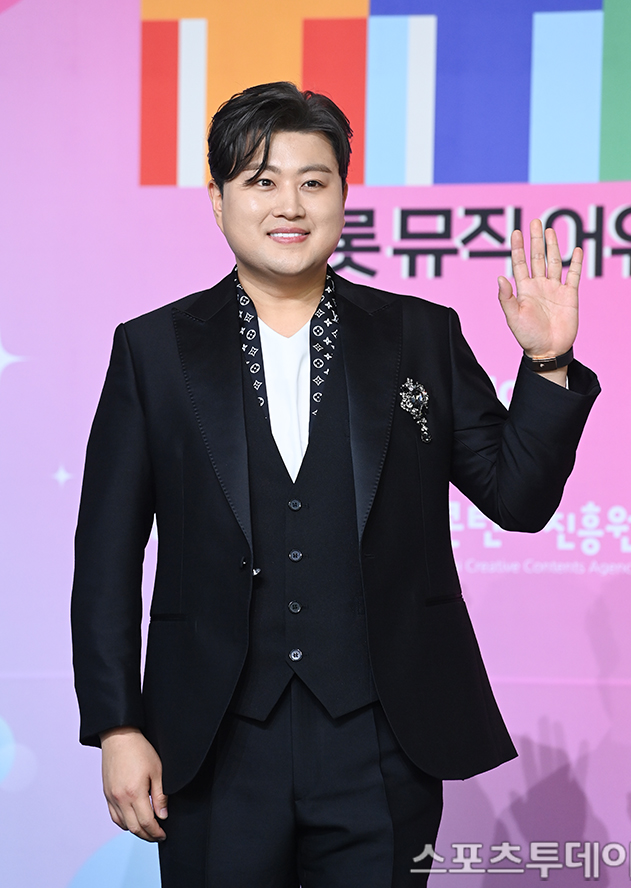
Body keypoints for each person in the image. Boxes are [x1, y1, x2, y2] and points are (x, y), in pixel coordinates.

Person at [71, 81, 600, 887]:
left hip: (381, 739)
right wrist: (117, 726)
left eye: (313, 181)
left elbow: (518, 499)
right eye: (262, 181)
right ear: (217, 199)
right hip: (212, 739)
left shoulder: (419, 334)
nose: (290, 205)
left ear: (343, 197)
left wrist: (547, 364)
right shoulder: (153, 351)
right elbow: (106, 558)